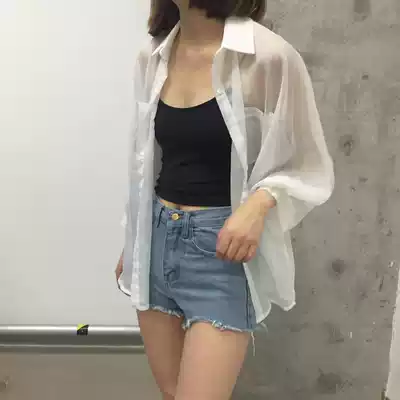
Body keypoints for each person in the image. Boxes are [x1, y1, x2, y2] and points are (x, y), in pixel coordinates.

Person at [115, 0, 334, 399]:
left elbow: (307, 161)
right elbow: (145, 161)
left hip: (219, 255)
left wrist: (260, 203)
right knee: (171, 392)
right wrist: (133, 240)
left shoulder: (268, 57)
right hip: (154, 243)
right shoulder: (153, 54)